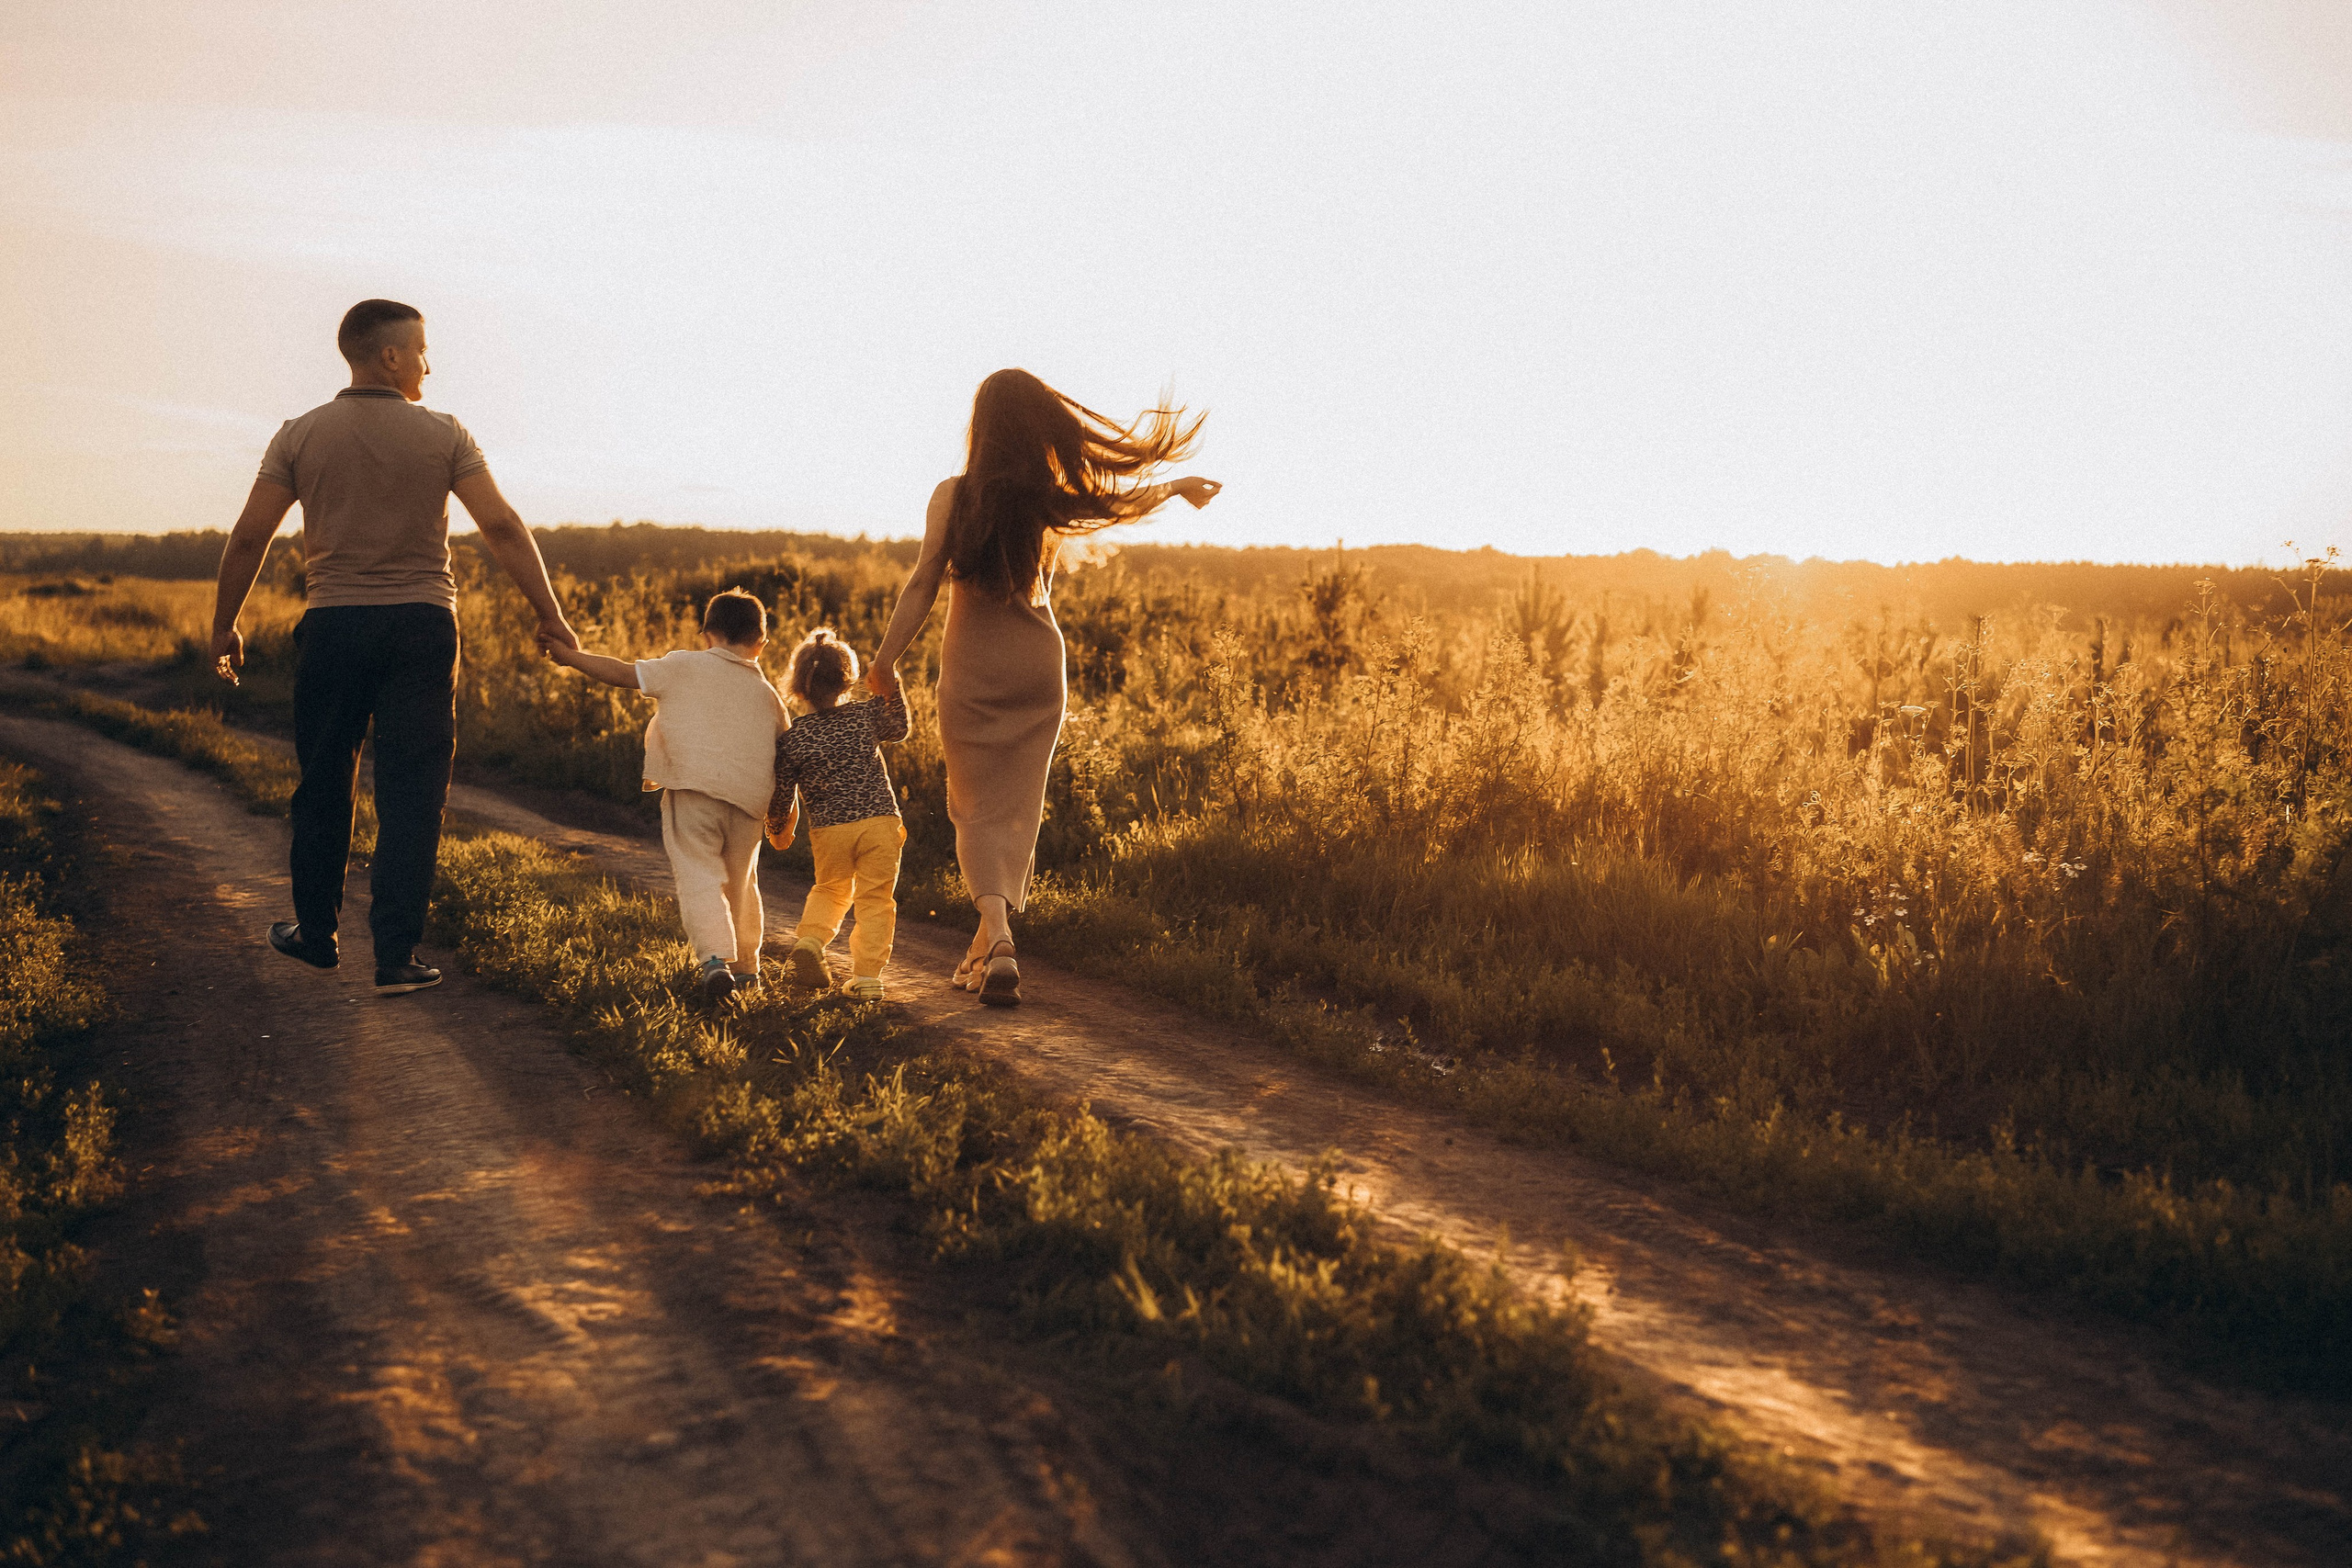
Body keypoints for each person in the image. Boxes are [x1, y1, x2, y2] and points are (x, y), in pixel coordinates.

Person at [210, 299, 577, 996]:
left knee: (324, 779)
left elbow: (251, 535)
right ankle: (395, 955)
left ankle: (316, 934)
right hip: (421, 626)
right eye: (420, 350)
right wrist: (550, 614)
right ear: (388, 356)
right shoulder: (444, 434)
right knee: (414, 791)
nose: (427, 364)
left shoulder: (300, 434)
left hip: (335, 626)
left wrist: (224, 623)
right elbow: (500, 524)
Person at [867, 368, 1219, 1006]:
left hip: (973, 666)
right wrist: (1174, 486)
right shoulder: (1045, 497)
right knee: (1015, 812)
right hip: (1037, 666)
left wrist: (886, 661)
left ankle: (999, 934)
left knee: (974, 811)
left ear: (982, 427)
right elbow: (1117, 504)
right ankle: (983, 949)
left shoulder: (953, 494)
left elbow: (922, 582)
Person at [539, 589, 788, 1006]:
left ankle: (714, 961)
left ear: (707, 633)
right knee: (744, 885)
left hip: (692, 791)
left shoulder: (682, 665)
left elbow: (620, 673)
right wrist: (786, 813)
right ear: (761, 644)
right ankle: (749, 971)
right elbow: (787, 757)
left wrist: (571, 657)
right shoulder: (769, 696)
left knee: (699, 875)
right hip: (749, 804)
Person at [765, 628, 911, 1002]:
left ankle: (811, 941)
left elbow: (781, 793)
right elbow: (900, 728)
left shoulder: (793, 739)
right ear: (849, 680)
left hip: (830, 830)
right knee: (875, 899)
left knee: (831, 889)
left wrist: (777, 828)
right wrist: (890, 685)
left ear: (798, 687)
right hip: (880, 821)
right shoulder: (866, 715)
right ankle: (866, 978)